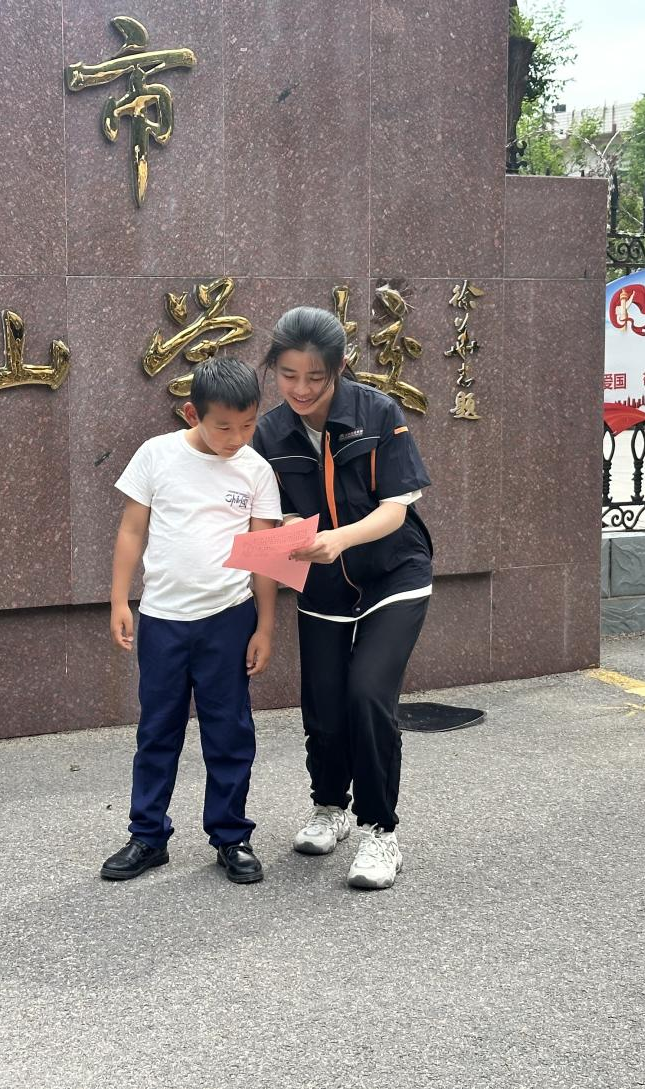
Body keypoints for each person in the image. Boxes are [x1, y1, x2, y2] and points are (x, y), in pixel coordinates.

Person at [251, 306, 433, 891]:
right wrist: (284, 536)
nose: (301, 389)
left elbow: (395, 508)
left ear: (340, 367)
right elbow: (268, 519)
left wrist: (340, 538)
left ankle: (381, 831)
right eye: (288, 375)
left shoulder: (378, 413)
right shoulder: (269, 432)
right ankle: (330, 807)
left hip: (393, 572)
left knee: (367, 694)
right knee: (324, 705)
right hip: (323, 583)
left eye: (316, 377)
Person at [100, 357, 282, 885]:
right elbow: (132, 530)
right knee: (157, 730)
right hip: (163, 620)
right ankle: (147, 836)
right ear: (191, 414)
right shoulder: (156, 455)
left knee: (229, 732)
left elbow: (265, 555)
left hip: (228, 618)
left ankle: (231, 836)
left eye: (248, 425)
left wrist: (265, 627)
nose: (236, 438)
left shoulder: (256, 470)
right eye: (224, 426)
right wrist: (119, 601)